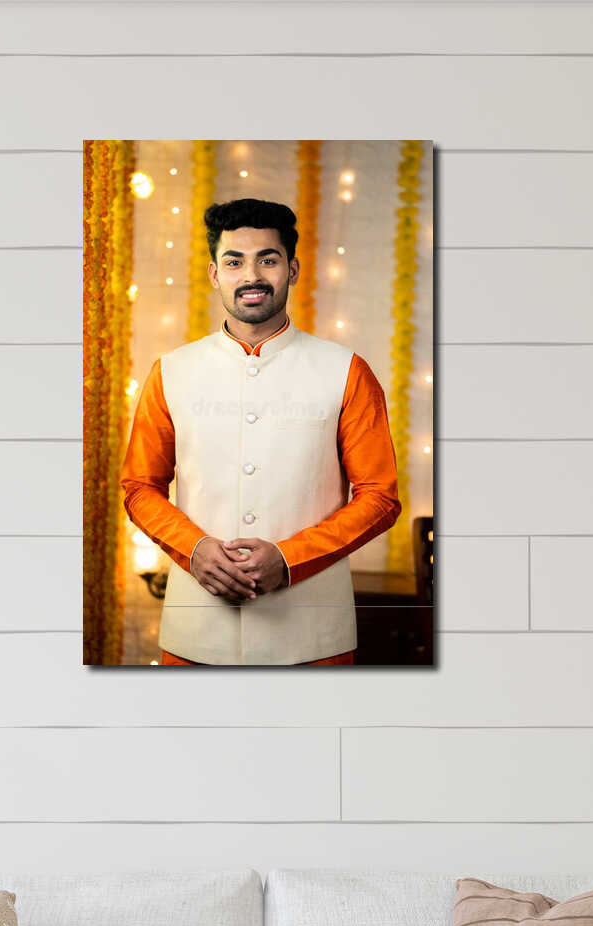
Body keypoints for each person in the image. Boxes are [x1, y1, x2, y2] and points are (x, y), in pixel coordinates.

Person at [120, 197, 400, 666]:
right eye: (234, 261)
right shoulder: (170, 371)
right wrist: (194, 549)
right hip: (197, 633)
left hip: (313, 637)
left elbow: (380, 496)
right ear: (215, 274)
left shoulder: (346, 371)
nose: (250, 276)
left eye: (266, 259)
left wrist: (290, 559)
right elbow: (139, 486)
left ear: (292, 269)